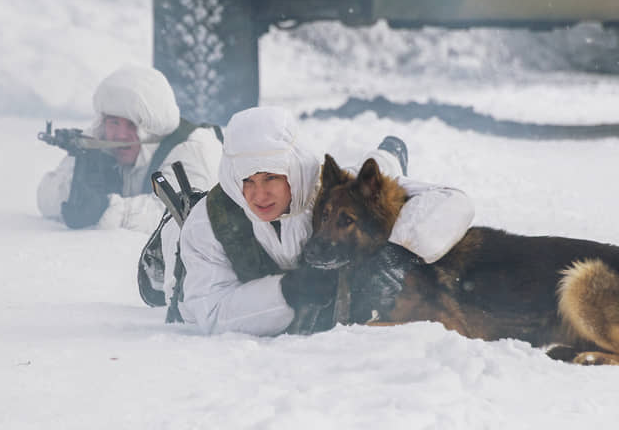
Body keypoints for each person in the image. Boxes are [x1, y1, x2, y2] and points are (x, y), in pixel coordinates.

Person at [170, 106, 474, 336]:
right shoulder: (208, 222)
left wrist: (401, 252)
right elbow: (210, 313)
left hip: (359, 177)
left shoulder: (325, 191)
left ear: (292, 169)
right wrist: (285, 292)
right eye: (246, 180)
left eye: (270, 178)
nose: (258, 194)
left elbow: (452, 201)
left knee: (376, 177)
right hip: (189, 260)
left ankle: (388, 156)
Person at [37, 67, 223, 233]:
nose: (120, 135)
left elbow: (178, 215)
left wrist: (107, 208)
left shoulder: (191, 149)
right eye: (114, 122)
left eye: (132, 125)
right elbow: (46, 197)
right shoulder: (101, 142)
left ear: (151, 126)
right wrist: (75, 190)